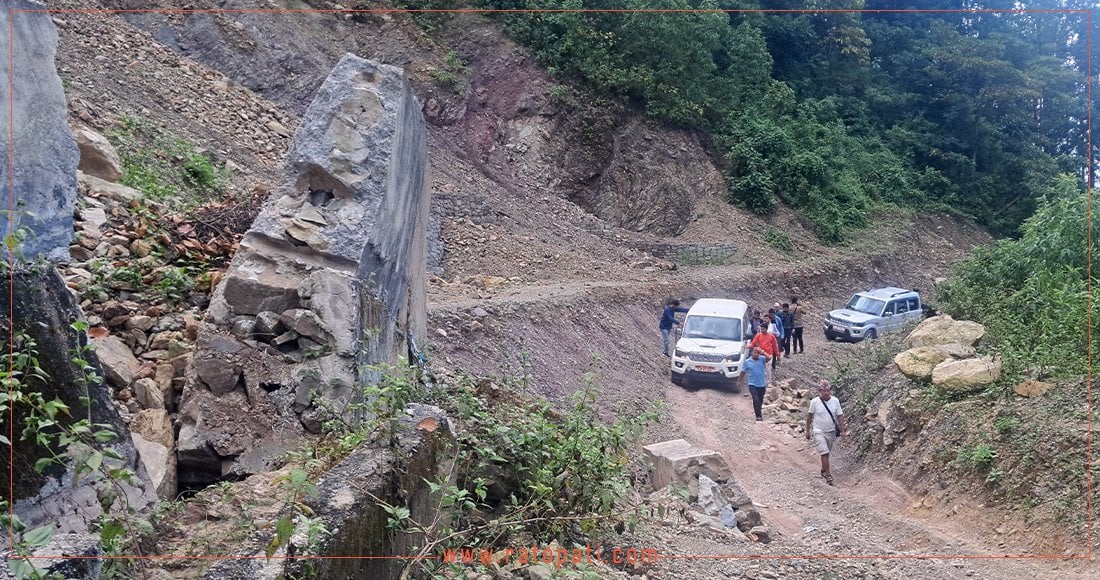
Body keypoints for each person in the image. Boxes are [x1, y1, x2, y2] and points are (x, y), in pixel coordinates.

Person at [805, 380, 847, 485]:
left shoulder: (835, 401)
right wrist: (807, 430)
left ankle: (823, 470)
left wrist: (842, 430)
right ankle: (828, 475)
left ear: (830, 391)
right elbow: (810, 416)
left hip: (831, 431)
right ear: (820, 391)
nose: (826, 393)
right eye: (824, 391)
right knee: (824, 452)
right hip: (818, 430)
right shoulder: (814, 402)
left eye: (828, 390)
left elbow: (840, 416)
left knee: (827, 452)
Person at [741, 347, 771, 421]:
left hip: (762, 384)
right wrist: (739, 381)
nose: (756, 354)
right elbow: (743, 372)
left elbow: (769, 358)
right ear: (752, 353)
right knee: (756, 399)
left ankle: (758, 410)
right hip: (752, 384)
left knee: (760, 400)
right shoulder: (747, 362)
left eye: (757, 353)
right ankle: (758, 416)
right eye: (755, 352)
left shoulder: (762, 359)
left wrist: (762, 351)